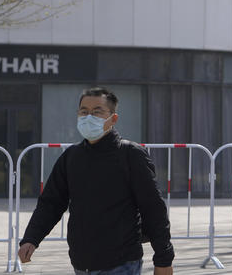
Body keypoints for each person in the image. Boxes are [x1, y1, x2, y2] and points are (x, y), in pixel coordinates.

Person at [17, 87, 174, 275]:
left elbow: (153, 208)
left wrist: (163, 260)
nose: (89, 117)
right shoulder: (71, 157)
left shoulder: (130, 155)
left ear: (113, 118)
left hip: (121, 263)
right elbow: (51, 203)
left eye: (97, 112)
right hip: (81, 263)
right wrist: (31, 239)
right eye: (84, 112)